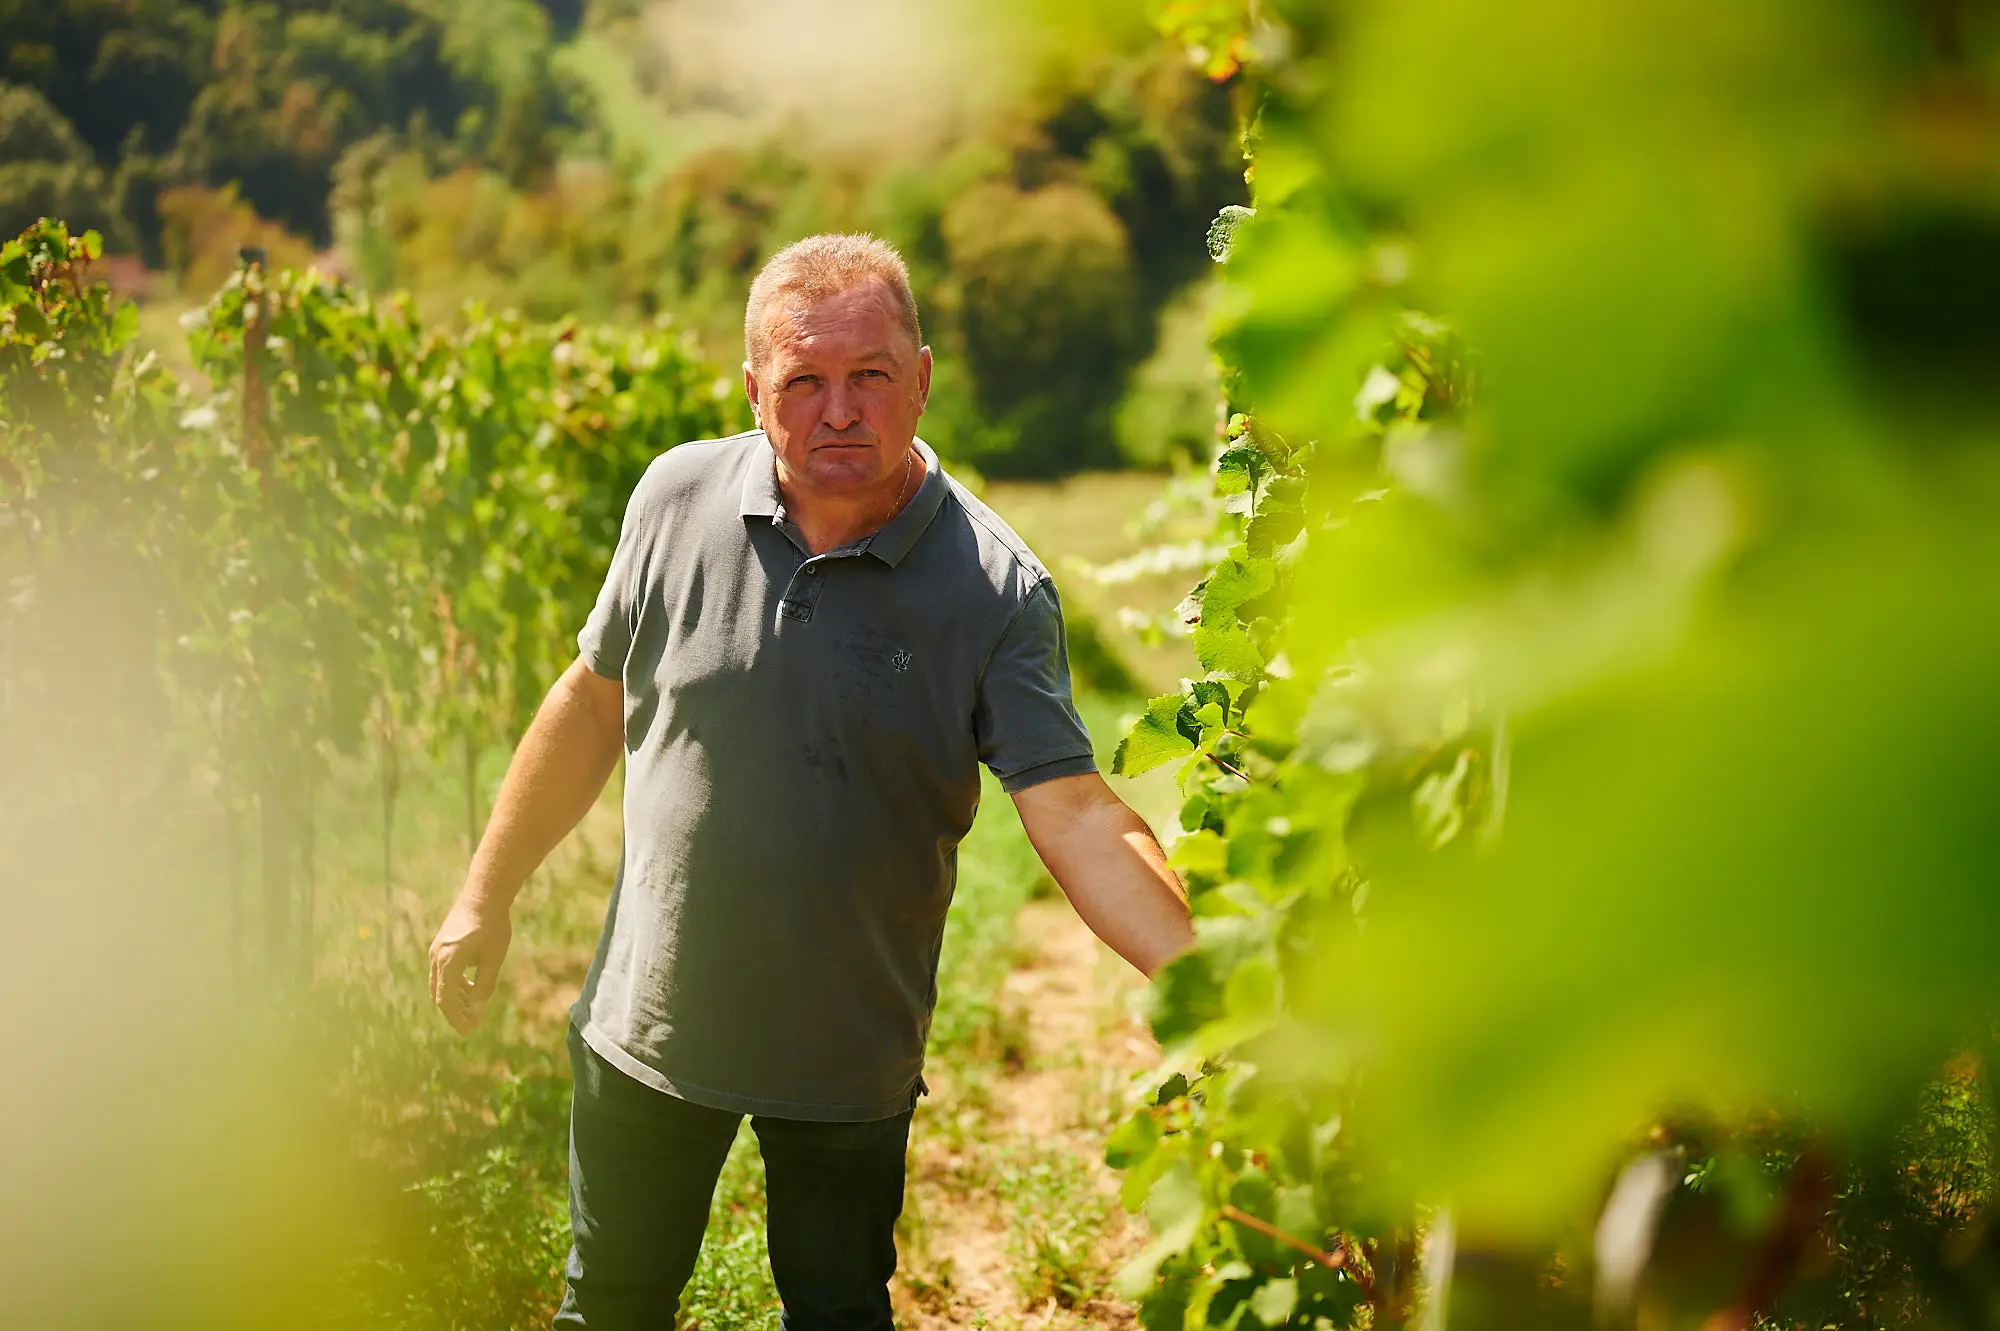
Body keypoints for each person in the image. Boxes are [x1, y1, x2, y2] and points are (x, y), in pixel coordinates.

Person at [426, 233, 1193, 1331]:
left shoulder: (994, 586)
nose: (839, 411)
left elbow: (1071, 808)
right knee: (611, 1303)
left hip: (847, 1055)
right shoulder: (674, 497)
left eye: (869, 375)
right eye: (803, 381)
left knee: (836, 1310)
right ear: (754, 389)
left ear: (920, 378)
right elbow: (591, 702)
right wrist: (483, 894)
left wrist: (1200, 984)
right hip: (651, 1022)